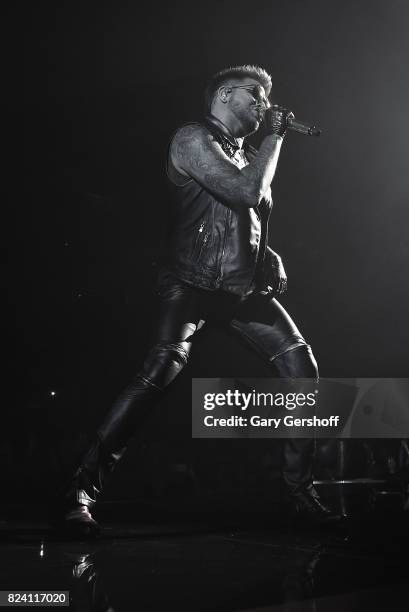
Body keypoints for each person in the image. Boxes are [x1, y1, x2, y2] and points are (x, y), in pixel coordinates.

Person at [58, 65, 338, 536]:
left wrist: (267, 252)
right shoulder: (191, 138)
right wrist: (276, 139)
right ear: (225, 95)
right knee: (154, 380)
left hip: (241, 290)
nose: (265, 104)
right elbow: (246, 191)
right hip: (190, 283)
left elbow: (245, 215)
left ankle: (301, 496)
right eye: (256, 94)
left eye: (268, 98)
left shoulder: (242, 150)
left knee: (302, 371)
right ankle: (78, 494)